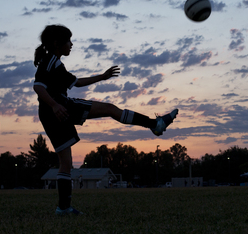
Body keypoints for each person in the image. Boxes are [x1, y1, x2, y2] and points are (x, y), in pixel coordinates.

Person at [33, 24, 178, 216]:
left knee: (66, 162)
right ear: (56, 43)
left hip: (55, 111)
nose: (72, 44)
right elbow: (38, 87)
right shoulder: (50, 61)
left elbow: (76, 82)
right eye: (69, 40)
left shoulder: (55, 63)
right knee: (110, 109)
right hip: (59, 108)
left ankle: (63, 208)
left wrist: (102, 76)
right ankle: (156, 125)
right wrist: (55, 105)